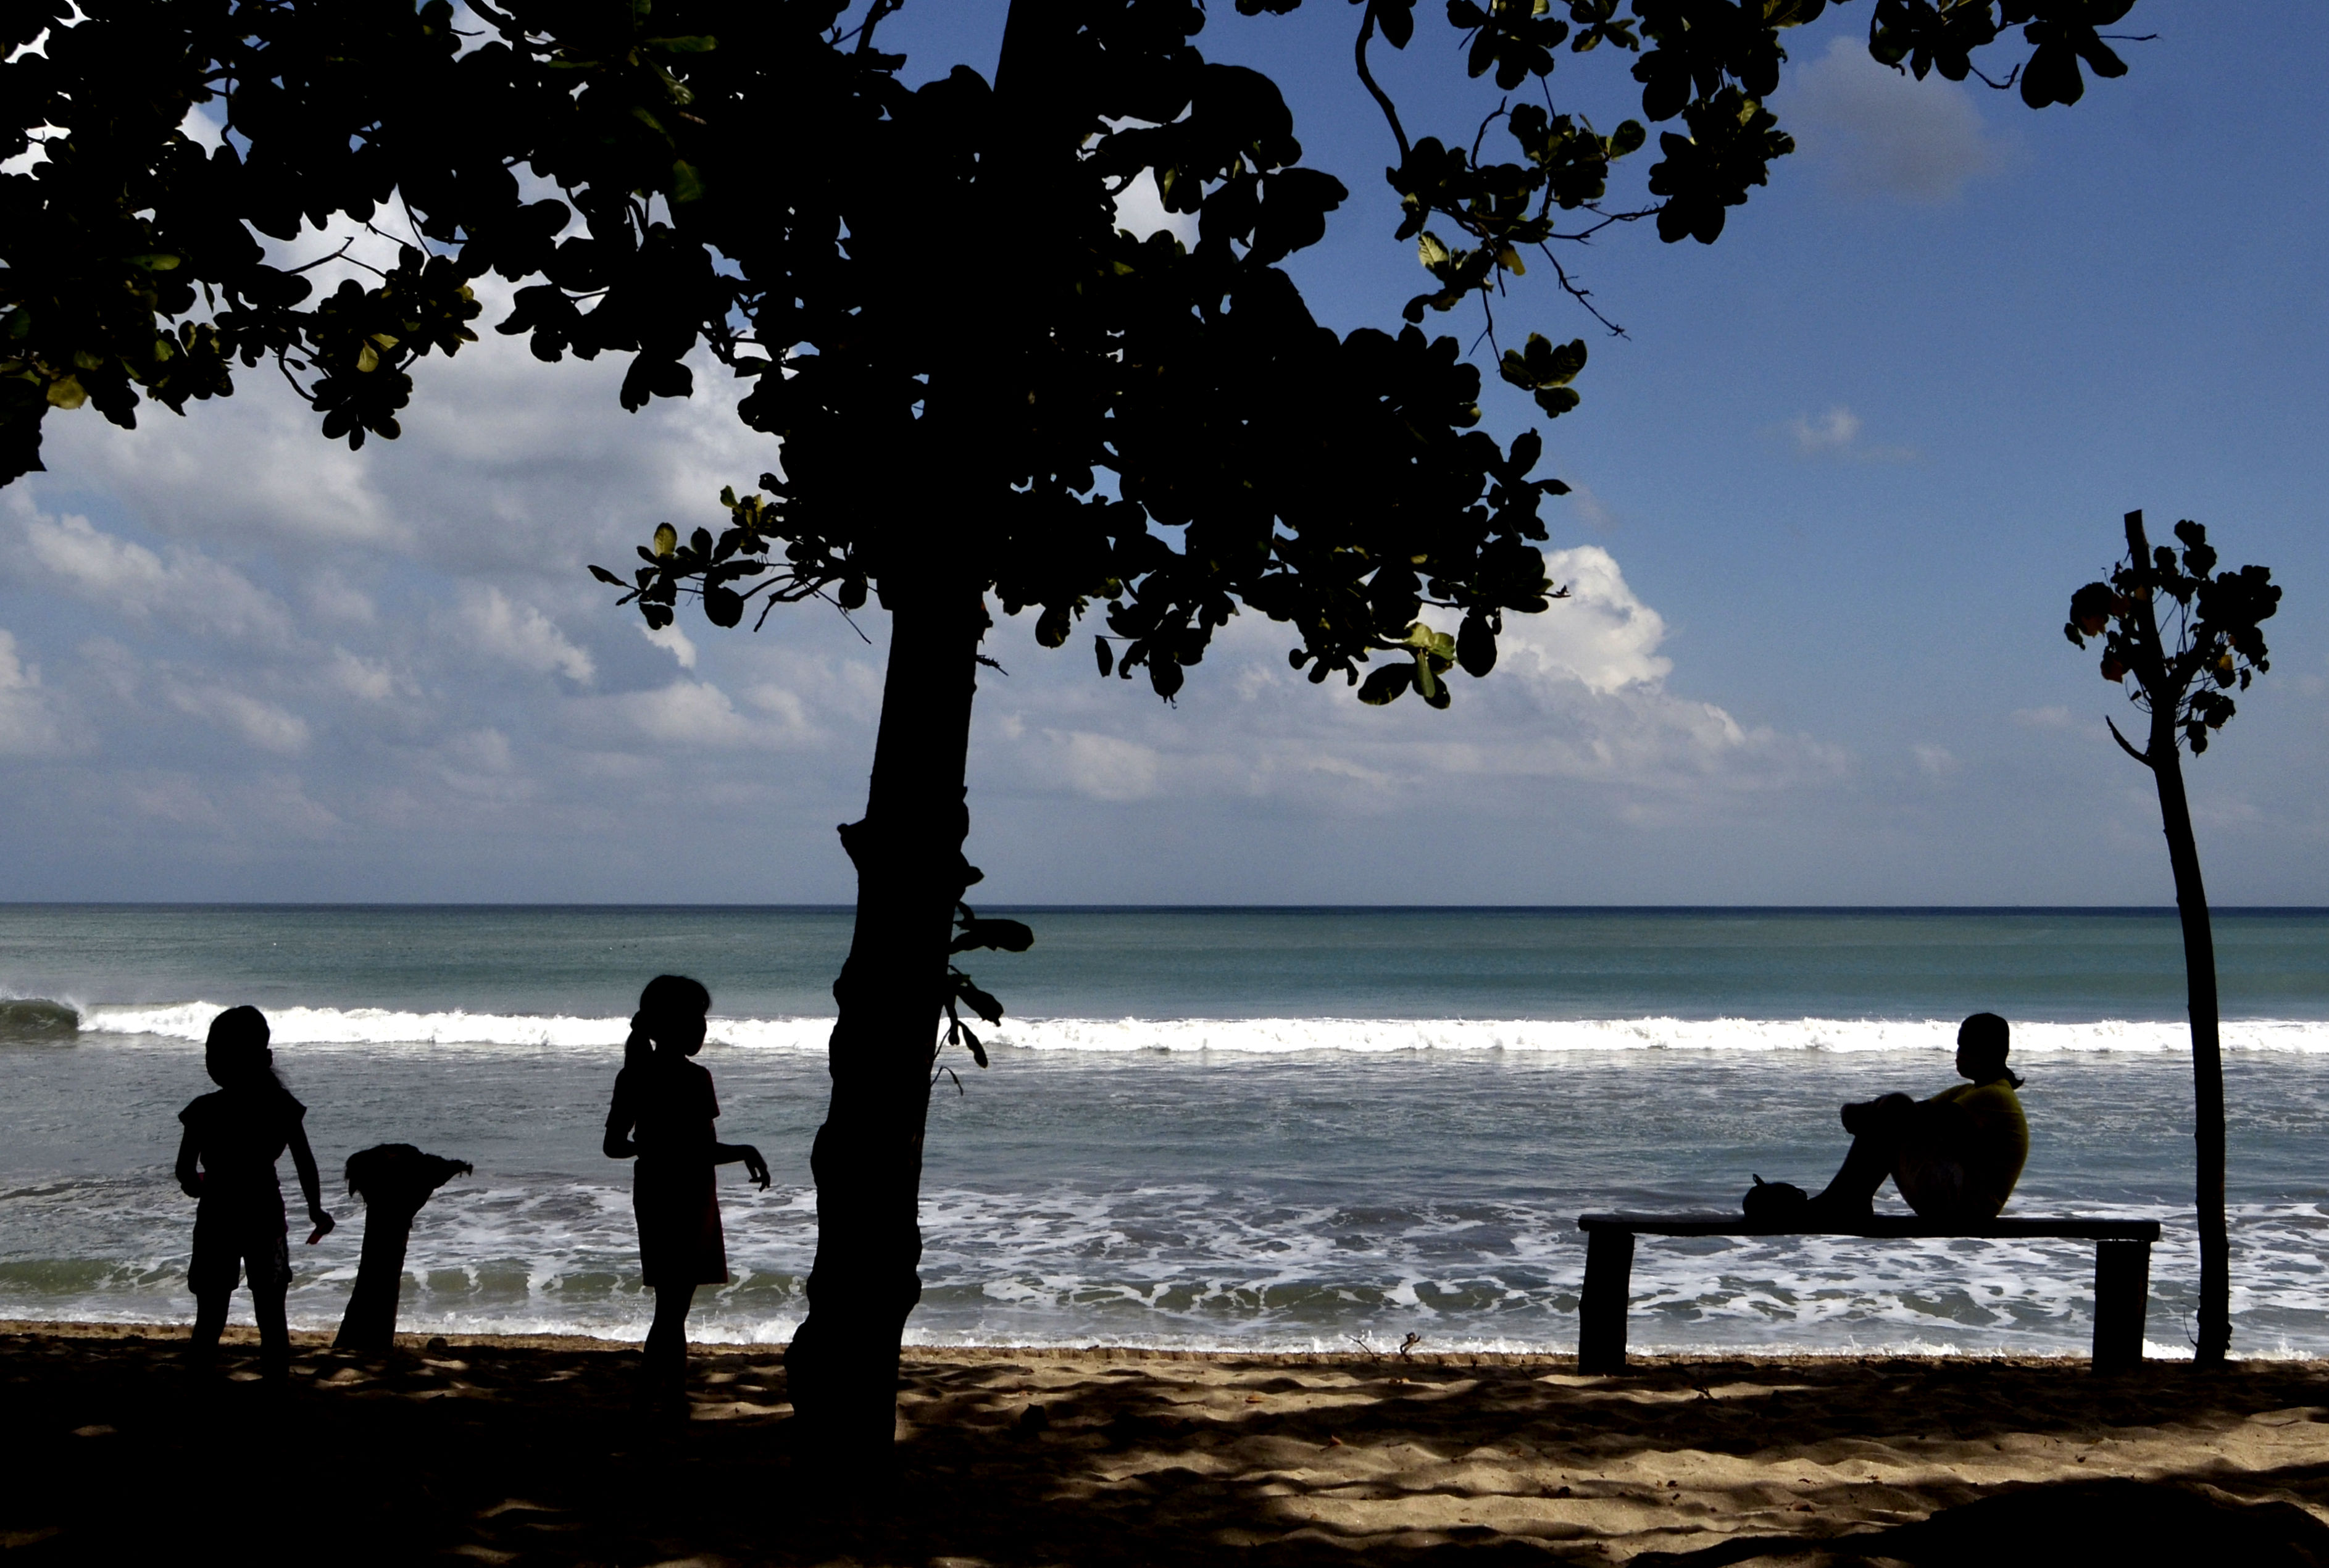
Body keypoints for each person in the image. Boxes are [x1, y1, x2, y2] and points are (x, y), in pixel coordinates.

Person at [602, 974, 769, 1393]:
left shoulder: (633, 1076)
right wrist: (746, 1150)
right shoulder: (696, 1079)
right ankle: (651, 1399)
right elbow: (702, 1151)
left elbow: (614, 1146)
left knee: (670, 1307)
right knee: (674, 1311)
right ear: (672, 1026)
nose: (703, 1028)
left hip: (654, 1193)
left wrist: (651, 1148)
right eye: (696, 1019)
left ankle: (671, 1398)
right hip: (691, 1199)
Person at [175, 1005, 335, 1378]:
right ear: (265, 1058)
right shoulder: (280, 1107)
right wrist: (316, 1210)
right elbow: (305, 1164)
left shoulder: (202, 1111)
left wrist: (200, 1186)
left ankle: (197, 1389)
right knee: (271, 1316)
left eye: (212, 1053)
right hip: (265, 1217)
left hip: (216, 1219)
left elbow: (184, 1172)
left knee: (210, 1318)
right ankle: (275, 1393)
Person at [1801, 1012, 2030, 1222]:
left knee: (1895, 1107)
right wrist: (1874, 1113)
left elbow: (1917, 1120)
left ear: (1988, 1052)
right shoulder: (1968, 1092)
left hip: (1968, 1207)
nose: (1958, 1054)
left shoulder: (1995, 1096)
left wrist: (1863, 1113)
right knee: (1891, 1114)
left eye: (1965, 1047)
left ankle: (1842, 1200)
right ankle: (1846, 1199)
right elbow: (1912, 1114)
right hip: (1957, 1198)